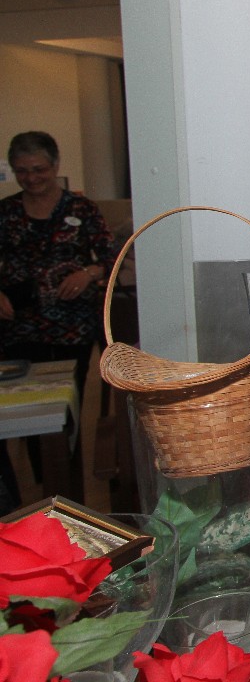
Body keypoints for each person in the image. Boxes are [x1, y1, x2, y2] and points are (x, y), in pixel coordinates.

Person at [0, 131, 117, 510]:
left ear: (55, 166)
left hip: (72, 327)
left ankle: (63, 486)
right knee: (24, 411)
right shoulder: (6, 212)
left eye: (39, 169)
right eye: (22, 171)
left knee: (65, 411)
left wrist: (88, 273)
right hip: (19, 327)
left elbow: (111, 257)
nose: (31, 178)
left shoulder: (82, 210)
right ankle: (37, 489)